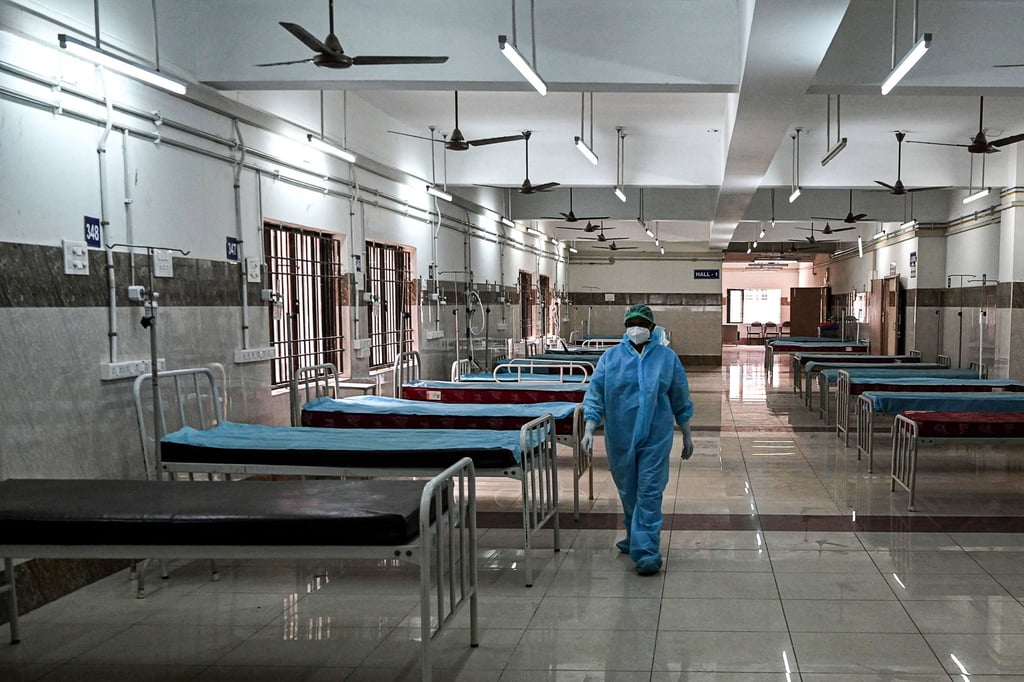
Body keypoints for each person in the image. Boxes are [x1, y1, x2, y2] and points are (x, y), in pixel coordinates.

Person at [581, 304, 694, 575]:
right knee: (629, 491)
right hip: (620, 436)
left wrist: (687, 434)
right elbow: (596, 393)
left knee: (649, 492)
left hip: (656, 437)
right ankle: (634, 536)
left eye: (642, 323)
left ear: (652, 328)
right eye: (631, 323)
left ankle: (646, 552)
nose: (636, 328)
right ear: (624, 327)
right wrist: (588, 427)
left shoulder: (667, 359)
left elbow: (680, 397)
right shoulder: (610, 358)